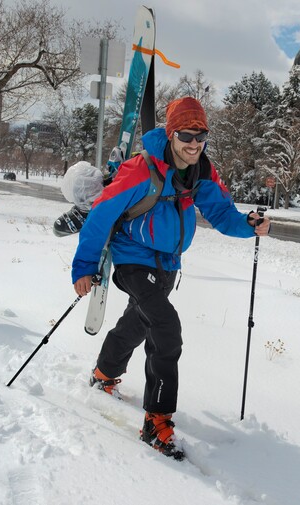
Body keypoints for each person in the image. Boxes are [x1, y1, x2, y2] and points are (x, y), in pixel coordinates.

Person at [71, 97, 271, 459]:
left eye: (201, 135)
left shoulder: (202, 172)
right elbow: (101, 214)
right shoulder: (141, 169)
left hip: (168, 265)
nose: (194, 143)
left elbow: (222, 214)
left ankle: (104, 372)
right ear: (171, 133)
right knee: (166, 328)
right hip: (133, 260)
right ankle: (156, 420)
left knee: (138, 322)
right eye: (186, 135)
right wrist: (84, 267)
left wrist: (248, 225)